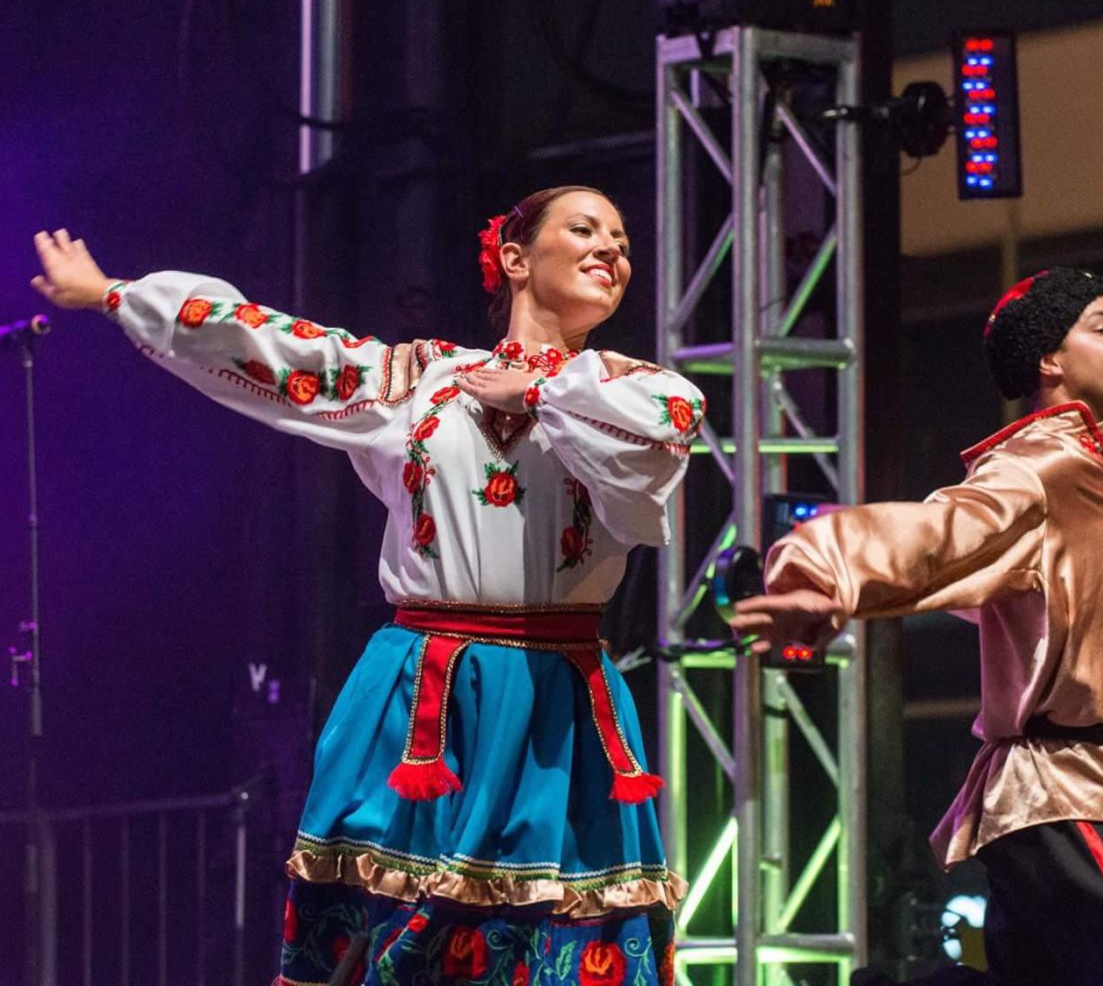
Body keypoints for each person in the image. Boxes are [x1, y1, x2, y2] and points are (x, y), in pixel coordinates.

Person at [32, 185, 704, 986]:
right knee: (387, 938)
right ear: (517, 260)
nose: (612, 249)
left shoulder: (636, 390)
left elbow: (662, 431)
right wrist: (116, 295)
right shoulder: (421, 378)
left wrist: (539, 391)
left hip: (552, 705)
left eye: (623, 239)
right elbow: (278, 346)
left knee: (552, 939)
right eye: (585, 229)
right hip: (428, 694)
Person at [729, 267, 1103, 986]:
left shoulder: (1085, 474)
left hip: (1080, 793)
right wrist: (820, 571)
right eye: (1102, 326)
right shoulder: (1042, 466)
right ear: (1050, 360)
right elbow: (939, 534)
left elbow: (968, 579)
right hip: (1067, 792)